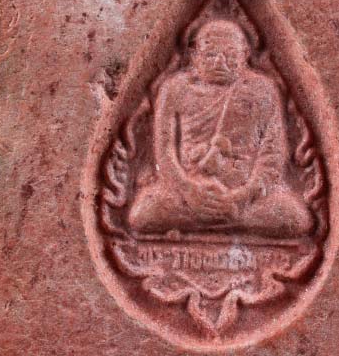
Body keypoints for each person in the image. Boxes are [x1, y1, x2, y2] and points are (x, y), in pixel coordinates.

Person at [128, 18, 314, 237]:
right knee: (143, 213)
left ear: (245, 55)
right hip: (188, 193)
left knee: (294, 217)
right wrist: (188, 189)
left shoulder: (262, 90)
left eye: (230, 55)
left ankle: (222, 219)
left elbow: (272, 156)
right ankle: (231, 223)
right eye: (210, 55)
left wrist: (241, 197)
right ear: (194, 55)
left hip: (245, 197)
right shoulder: (175, 88)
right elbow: (164, 151)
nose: (219, 62)